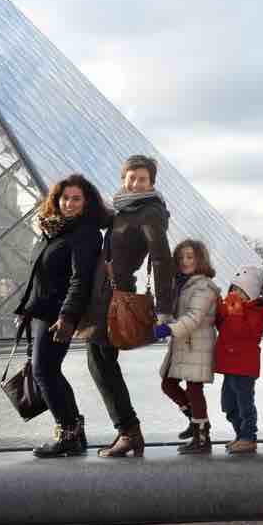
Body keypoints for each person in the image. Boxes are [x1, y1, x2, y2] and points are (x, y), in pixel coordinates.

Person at [79, 154, 176, 458]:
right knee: (100, 363)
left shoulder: (150, 212)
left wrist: (164, 308)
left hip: (115, 296)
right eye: (131, 178)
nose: (135, 183)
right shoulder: (123, 210)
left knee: (101, 364)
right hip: (100, 296)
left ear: (151, 183)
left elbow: (161, 258)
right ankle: (128, 431)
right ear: (124, 179)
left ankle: (128, 431)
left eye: (142, 179)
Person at [16, 174, 106, 458]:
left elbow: (80, 280)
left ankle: (67, 432)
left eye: (75, 198)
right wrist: (25, 309)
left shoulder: (85, 233)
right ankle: (74, 433)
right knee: (49, 370)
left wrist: (67, 317)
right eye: (64, 198)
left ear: (86, 201)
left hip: (58, 314)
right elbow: (37, 275)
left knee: (44, 370)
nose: (68, 203)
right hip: (42, 312)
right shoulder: (53, 231)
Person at [154, 239, 220, 454]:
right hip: (183, 343)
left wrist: (167, 330)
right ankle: (197, 422)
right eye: (181, 257)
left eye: (190, 257)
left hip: (197, 343)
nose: (184, 261)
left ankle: (202, 437)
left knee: (193, 389)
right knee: (168, 384)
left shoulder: (204, 286)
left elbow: (194, 317)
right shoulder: (181, 283)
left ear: (200, 259)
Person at [215, 265, 263, 455]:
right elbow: (221, 324)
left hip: (244, 368)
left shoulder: (256, 313)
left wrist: (236, 314)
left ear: (252, 295)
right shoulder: (229, 308)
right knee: (228, 404)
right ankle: (240, 435)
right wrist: (221, 310)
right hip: (230, 366)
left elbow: (245, 334)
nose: (235, 294)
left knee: (244, 403)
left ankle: (248, 437)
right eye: (233, 289)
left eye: (241, 291)